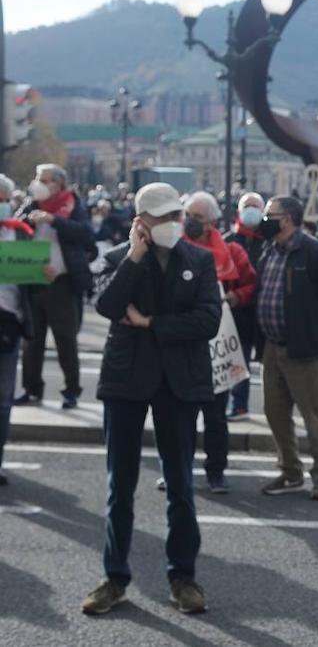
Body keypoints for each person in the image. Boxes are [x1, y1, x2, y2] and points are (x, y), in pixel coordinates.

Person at [81, 182, 221, 616]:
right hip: (126, 380)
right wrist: (136, 257)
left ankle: (184, 577)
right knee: (119, 486)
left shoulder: (199, 260)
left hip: (179, 383)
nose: (174, 224)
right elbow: (106, 305)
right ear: (141, 222)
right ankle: (114, 577)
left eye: (177, 215)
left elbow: (209, 320)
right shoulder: (119, 259)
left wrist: (152, 323)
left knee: (180, 484)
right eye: (163, 217)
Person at [255, 196, 318, 501]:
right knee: (274, 412)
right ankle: (290, 471)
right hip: (272, 347)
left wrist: (314, 324)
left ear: (287, 219)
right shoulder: (268, 250)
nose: (264, 219)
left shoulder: (312, 251)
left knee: (313, 417)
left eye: (270, 215)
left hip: (306, 349)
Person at [181, 192, 256, 494]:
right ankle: (178, 469)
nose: (190, 221)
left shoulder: (232, 251)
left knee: (215, 416)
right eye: (188, 214)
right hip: (183, 342)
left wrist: (236, 296)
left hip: (217, 342)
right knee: (180, 416)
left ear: (211, 221)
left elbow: (251, 282)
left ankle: (216, 471)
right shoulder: (174, 246)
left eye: (197, 217)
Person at [14, 164, 93, 409]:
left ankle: (71, 390)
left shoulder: (72, 205)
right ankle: (31, 388)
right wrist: (29, 220)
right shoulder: (31, 204)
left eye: (45, 180)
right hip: (34, 282)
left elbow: (85, 234)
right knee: (32, 340)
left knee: (65, 340)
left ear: (58, 184)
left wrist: (54, 220)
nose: (39, 183)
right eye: (38, 178)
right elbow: (14, 227)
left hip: (62, 284)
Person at [0, 174, 33, 487]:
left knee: (3, 399)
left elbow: (30, 280)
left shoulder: (20, 234)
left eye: (2, 200)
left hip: (8, 322)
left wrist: (42, 272)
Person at [223, 192, 266, 420]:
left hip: (263, 311)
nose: (251, 210)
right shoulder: (228, 240)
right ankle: (238, 405)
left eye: (255, 206)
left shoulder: (268, 241)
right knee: (236, 360)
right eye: (247, 206)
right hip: (237, 311)